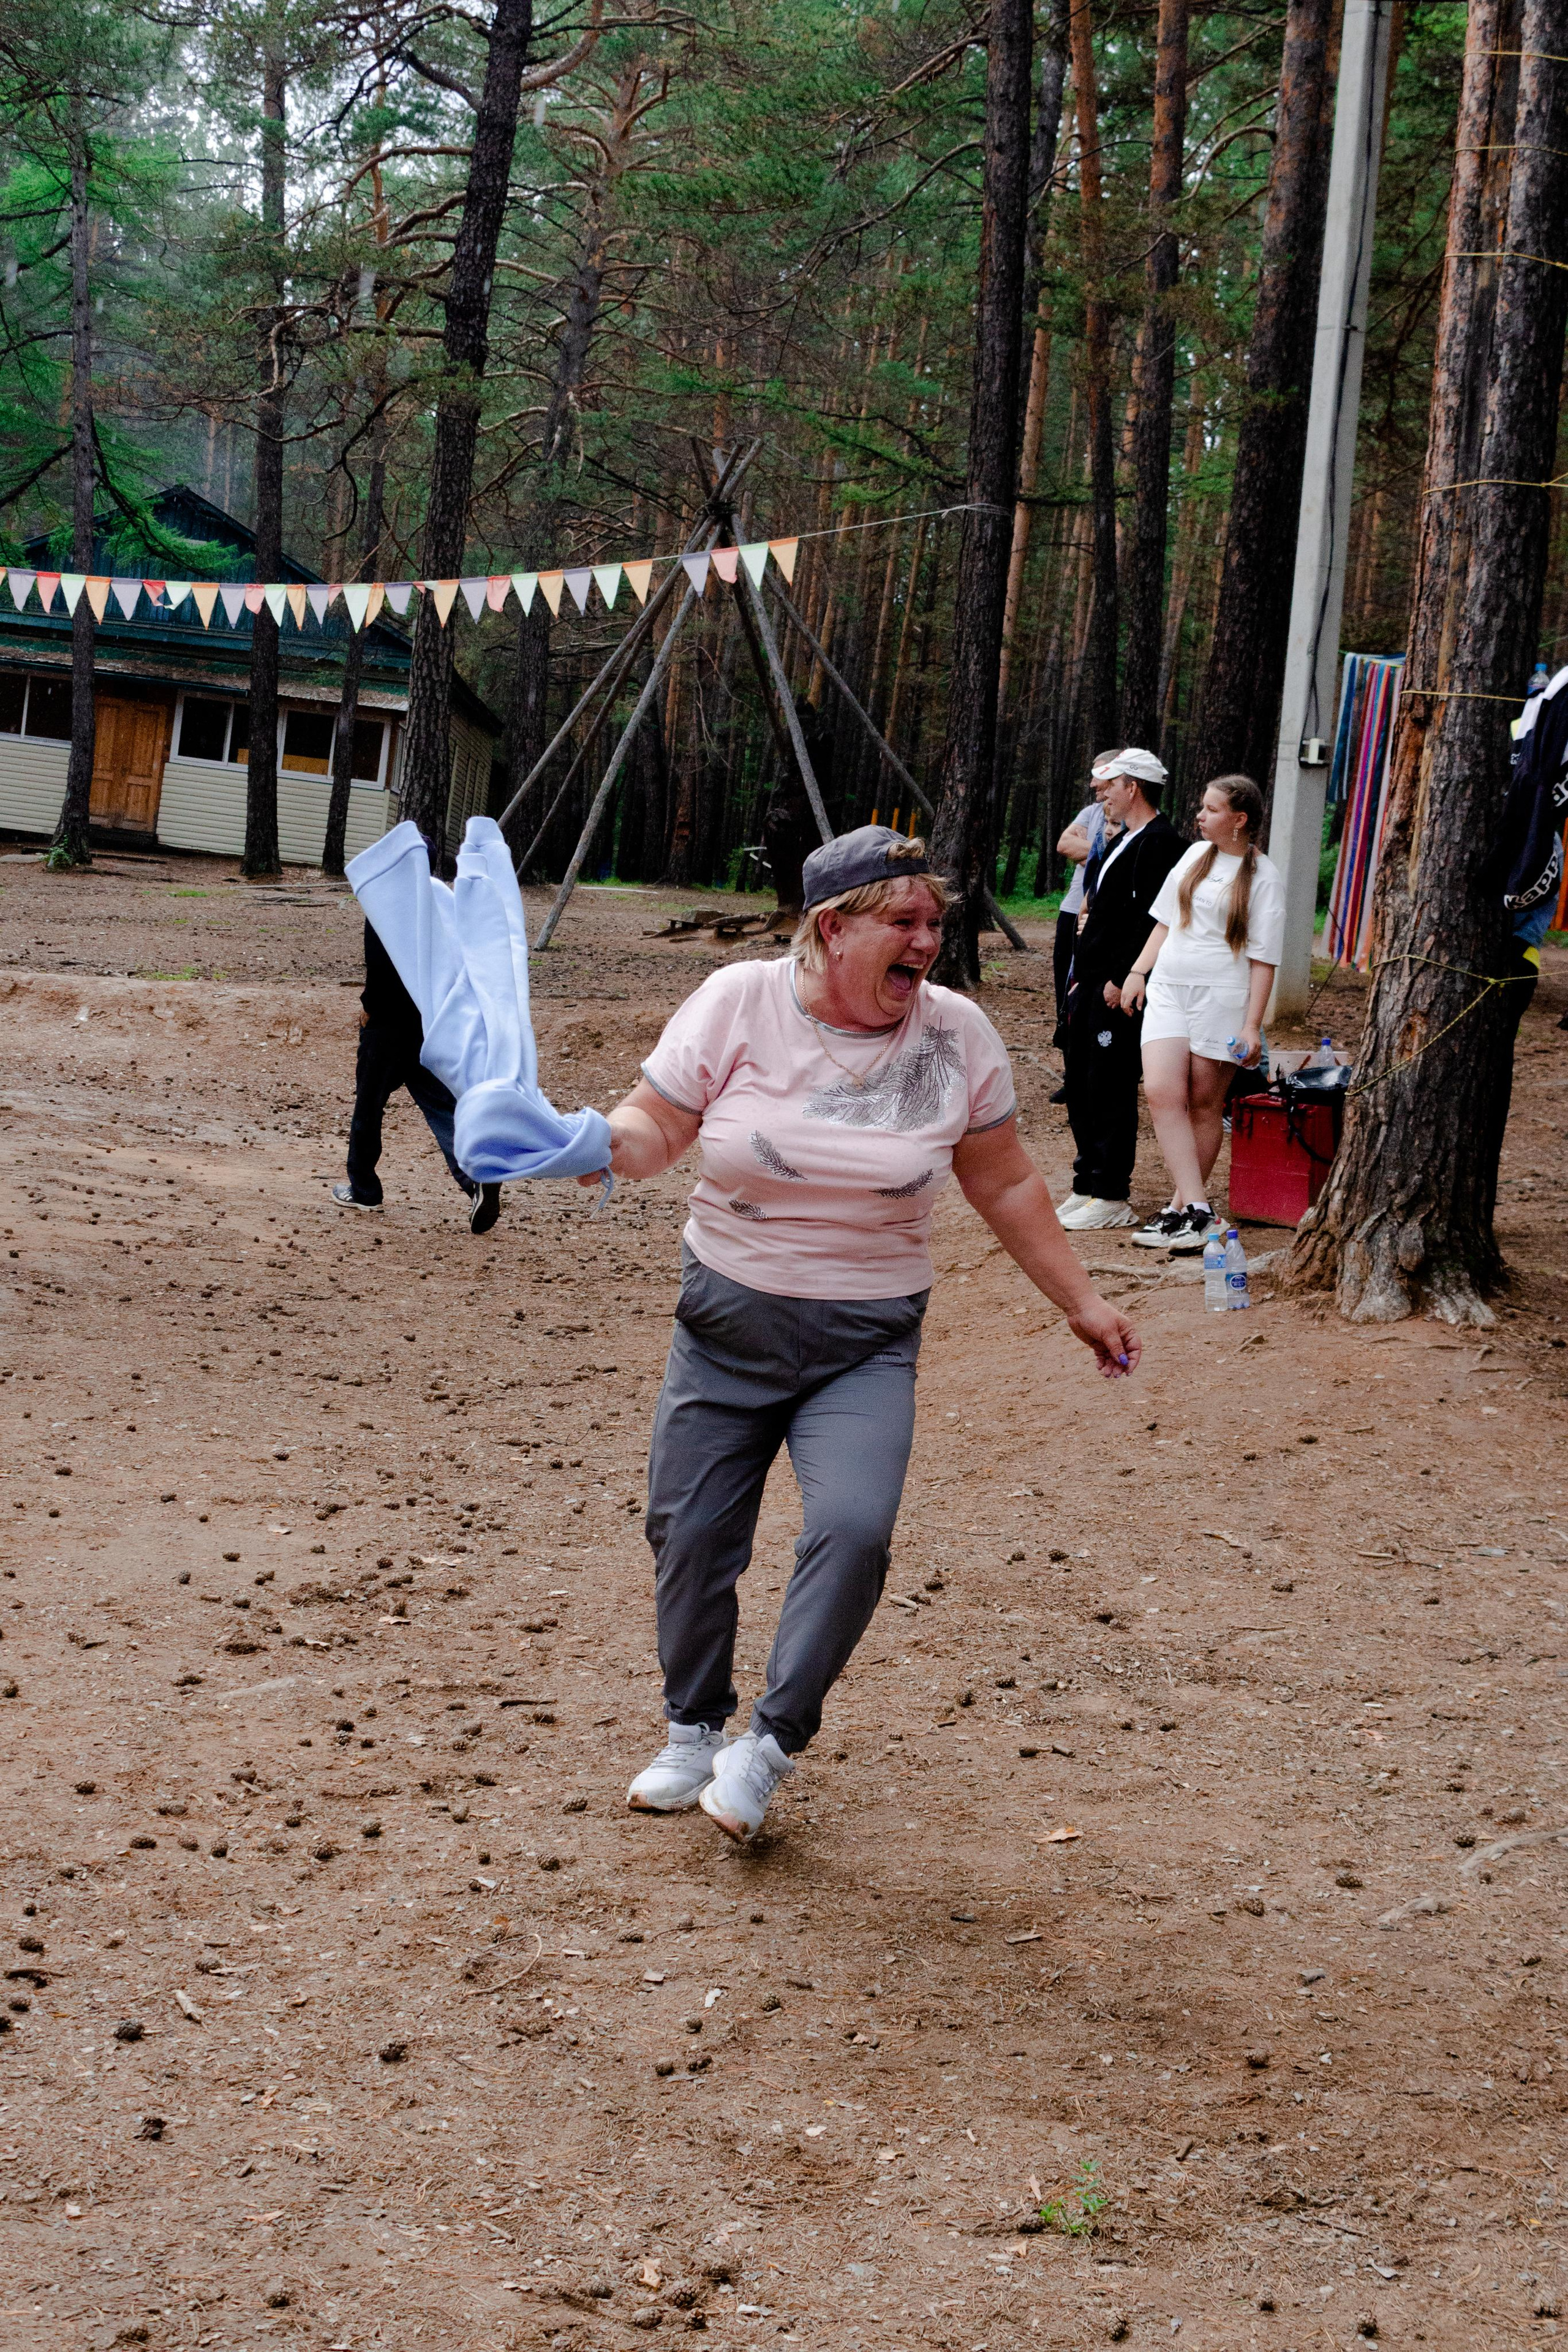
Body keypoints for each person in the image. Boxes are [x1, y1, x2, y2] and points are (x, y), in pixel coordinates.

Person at [582, 824, 1140, 1843]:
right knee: (691, 1533)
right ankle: (694, 1729)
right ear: (833, 930)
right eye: (906, 921)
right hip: (726, 1325)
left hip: (865, 1340)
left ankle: (769, 1745)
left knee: (857, 1530)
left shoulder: (955, 1034)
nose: (929, 940)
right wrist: (589, 1146)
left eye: (938, 922)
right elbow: (655, 1128)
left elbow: (1005, 1177)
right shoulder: (739, 1001)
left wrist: (1082, 1302)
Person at [1120, 774, 1284, 1251]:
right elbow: (1166, 921)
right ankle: (1199, 1209)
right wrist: (1138, 972)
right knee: (1161, 1093)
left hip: (1222, 998)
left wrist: (1252, 1026)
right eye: (1202, 806)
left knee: (1204, 1104)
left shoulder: (1264, 877)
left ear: (1239, 819)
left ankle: (1179, 1212)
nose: (1200, 815)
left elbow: (1264, 960)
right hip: (1170, 988)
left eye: (1212, 810)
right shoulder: (1194, 856)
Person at [1057, 749, 1184, 1231]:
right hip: (1090, 981)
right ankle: (1087, 1182)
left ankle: (1112, 1191)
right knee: (1083, 1083)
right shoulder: (1124, 840)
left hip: (1118, 985)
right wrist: (1081, 978)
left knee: (1108, 1085)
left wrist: (1123, 976)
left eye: (1108, 786)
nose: (1100, 793)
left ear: (1133, 788)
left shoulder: (1160, 844)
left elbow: (1150, 920)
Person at [333, 920, 502, 1233]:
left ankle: (364, 1190)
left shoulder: (382, 894)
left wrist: (371, 1005)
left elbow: (380, 960)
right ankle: (476, 1173)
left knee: (369, 1106)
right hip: (426, 1020)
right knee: (441, 1104)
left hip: (385, 1024)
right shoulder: (431, 898)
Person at [1050, 756, 1123, 1093]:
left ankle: (1101, 1069)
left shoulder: (1131, 819)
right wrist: (1101, 848)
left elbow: (1116, 854)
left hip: (1101, 916)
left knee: (1095, 993)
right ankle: (1072, 1073)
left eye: (1100, 777)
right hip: (1072, 912)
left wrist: (1095, 851)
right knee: (1066, 991)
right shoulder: (1092, 813)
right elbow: (1064, 844)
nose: (1093, 784)